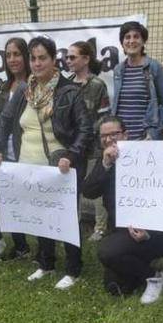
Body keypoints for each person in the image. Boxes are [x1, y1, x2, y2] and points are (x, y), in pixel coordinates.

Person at [0, 36, 93, 289]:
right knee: (39, 215)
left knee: (66, 219)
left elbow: (85, 129)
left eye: (42, 58)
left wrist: (72, 155)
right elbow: (4, 121)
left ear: (53, 59)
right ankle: (46, 264)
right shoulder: (25, 91)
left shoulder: (69, 91)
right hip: (29, 166)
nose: (36, 63)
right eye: (33, 58)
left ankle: (73, 268)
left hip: (60, 169)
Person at [83, 115, 163, 303]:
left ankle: (155, 278)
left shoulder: (145, 157)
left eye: (114, 134)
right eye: (104, 136)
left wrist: (148, 231)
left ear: (126, 135)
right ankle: (148, 267)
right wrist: (105, 164)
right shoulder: (105, 160)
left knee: (107, 252)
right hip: (121, 231)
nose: (109, 139)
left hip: (152, 232)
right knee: (116, 288)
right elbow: (88, 191)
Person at [67, 40, 110, 242]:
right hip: (73, 148)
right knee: (72, 186)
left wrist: (86, 134)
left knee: (97, 188)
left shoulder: (97, 85)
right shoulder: (66, 84)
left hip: (93, 148)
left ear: (86, 59)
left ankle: (100, 228)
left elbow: (104, 116)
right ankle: (71, 224)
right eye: (67, 57)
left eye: (72, 57)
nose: (68, 61)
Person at [0, 37, 31, 260]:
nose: (12, 59)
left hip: (27, 151)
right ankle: (21, 246)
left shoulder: (35, 84)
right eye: (8, 55)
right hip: (6, 152)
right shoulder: (4, 88)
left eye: (17, 54)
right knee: (10, 200)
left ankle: (44, 253)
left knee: (31, 202)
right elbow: (1, 122)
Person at [111, 21, 163, 140]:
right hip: (121, 138)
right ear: (122, 43)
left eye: (136, 36)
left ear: (143, 41)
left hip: (145, 138)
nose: (131, 41)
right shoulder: (118, 70)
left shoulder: (154, 67)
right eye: (127, 37)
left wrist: (154, 133)